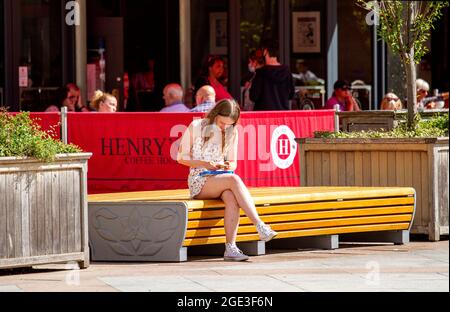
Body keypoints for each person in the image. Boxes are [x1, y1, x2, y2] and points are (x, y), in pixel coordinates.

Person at [177, 99, 278, 261]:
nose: (225, 127)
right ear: (215, 115)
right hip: (199, 179)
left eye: (229, 124)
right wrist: (205, 164)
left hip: (219, 177)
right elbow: (180, 157)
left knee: (231, 197)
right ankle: (259, 225)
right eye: (222, 122)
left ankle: (230, 247)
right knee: (233, 180)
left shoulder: (232, 132)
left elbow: (233, 162)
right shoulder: (197, 126)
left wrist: (224, 165)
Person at [249, 46, 295, 111]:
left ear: (265, 51)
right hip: (282, 115)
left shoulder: (261, 73)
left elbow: (253, 97)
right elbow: (291, 95)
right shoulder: (287, 72)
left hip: (263, 116)